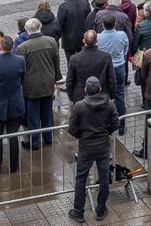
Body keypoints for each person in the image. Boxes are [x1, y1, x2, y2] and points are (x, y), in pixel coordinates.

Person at [67, 77, 119, 224]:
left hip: (86, 148)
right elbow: (116, 123)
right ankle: (101, 210)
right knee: (104, 179)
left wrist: (82, 136)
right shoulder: (109, 104)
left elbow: (72, 129)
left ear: (85, 90)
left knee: (81, 180)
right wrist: (106, 132)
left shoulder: (79, 106)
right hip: (103, 147)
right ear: (100, 89)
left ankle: (78, 212)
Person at [0, 35, 26, 174]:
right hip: (15, 102)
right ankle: (14, 166)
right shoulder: (20, 60)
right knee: (13, 134)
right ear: (12, 46)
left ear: (0, 46)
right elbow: (23, 79)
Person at [18, 18, 60, 150]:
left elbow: (20, 68)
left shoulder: (22, 47)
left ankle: (35, 142)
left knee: (33, 114)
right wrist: (56, 78)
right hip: (48, 82)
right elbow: (56, 62)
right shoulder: (51, 41)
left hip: (30, 86)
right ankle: (48, 138)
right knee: (47, 112)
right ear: (40, 27)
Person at [67, 31, 115, 106]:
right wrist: (111, 95)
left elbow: (70, 80)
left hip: (81, 97)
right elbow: (111, 79)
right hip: (101, 95)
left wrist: (71, 97)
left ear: (83, 41)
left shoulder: (74, 58)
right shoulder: (106, 57)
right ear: (96, 41)